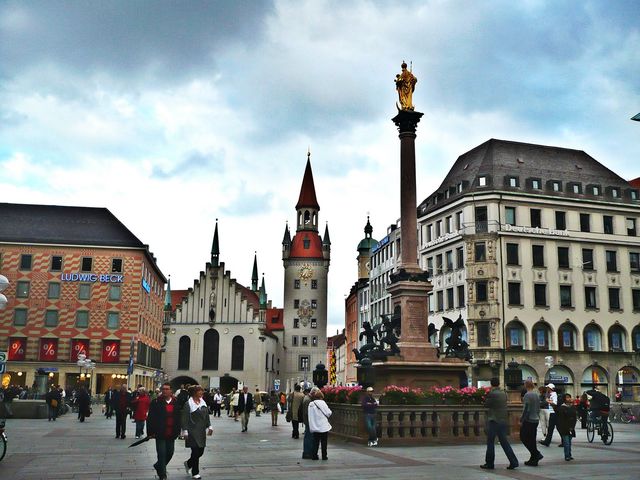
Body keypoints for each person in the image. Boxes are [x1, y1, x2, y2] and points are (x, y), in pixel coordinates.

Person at [481, 377, 518, 470]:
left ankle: (489, 463)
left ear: (491, 384)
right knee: (504, 442)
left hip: (494, 420)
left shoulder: (492, 393)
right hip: (503, 420)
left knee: (490, 442)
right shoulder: (504, 393)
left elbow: (486, 404)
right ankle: (513, 461)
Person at [147, 382, 181, 480]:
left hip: (172, 433)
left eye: (167, 389)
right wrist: (150, 432)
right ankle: (163, 474)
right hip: (160, 433)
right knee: (161, 453)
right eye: (163, 389)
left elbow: (178, 418)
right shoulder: (156, 402)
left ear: (171, 391)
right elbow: (150, 418)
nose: (165, 391)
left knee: (170, 453)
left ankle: (159, 466)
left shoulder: (176, 402)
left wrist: (179, 430)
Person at [181, 385, 213, 480]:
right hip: (192, 431)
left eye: (202, 391)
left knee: (200, 451)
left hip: (201, 431)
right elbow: (184, 418)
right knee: (195, 452)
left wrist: (210, 426)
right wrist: (185, 431)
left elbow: (206, 416)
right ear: (194, 392)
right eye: (200, 391)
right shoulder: (188, 404)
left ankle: (188, 463)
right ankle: (195, 472)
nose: (202, 392)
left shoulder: (203, 402)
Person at [520, 380, 543, 467]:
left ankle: (536, 454)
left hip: (529, 420)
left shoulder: (527, 395)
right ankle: (533, 459)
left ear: (526, 385)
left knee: (523, 437)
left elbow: (526, 409)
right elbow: (538, 407)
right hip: (536, 419)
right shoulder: (536, 395)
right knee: (532, 439)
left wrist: (522, 420)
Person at [307, 387, 332, 461]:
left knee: (315, 442)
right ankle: (324, 456)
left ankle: (314, 455)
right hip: (323, 426)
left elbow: (310, 415)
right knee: (324, 442)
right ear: (321, 397)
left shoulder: (311, 404)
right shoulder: (322, 403)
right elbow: (328, 413)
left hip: (314, 426)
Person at [554, 393, 577, 461]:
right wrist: (564, 427)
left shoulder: (572, 407)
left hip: (571, 427)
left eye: (569, 397)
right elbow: (561, 419)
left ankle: (569, 454)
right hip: (564, 428)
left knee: (569, 442)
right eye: (567, 397)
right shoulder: (562, 408)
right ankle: (567, 455)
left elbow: (574, 417)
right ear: (564, 399)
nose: (569, 399)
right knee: (566, 442)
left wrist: (572, 426)